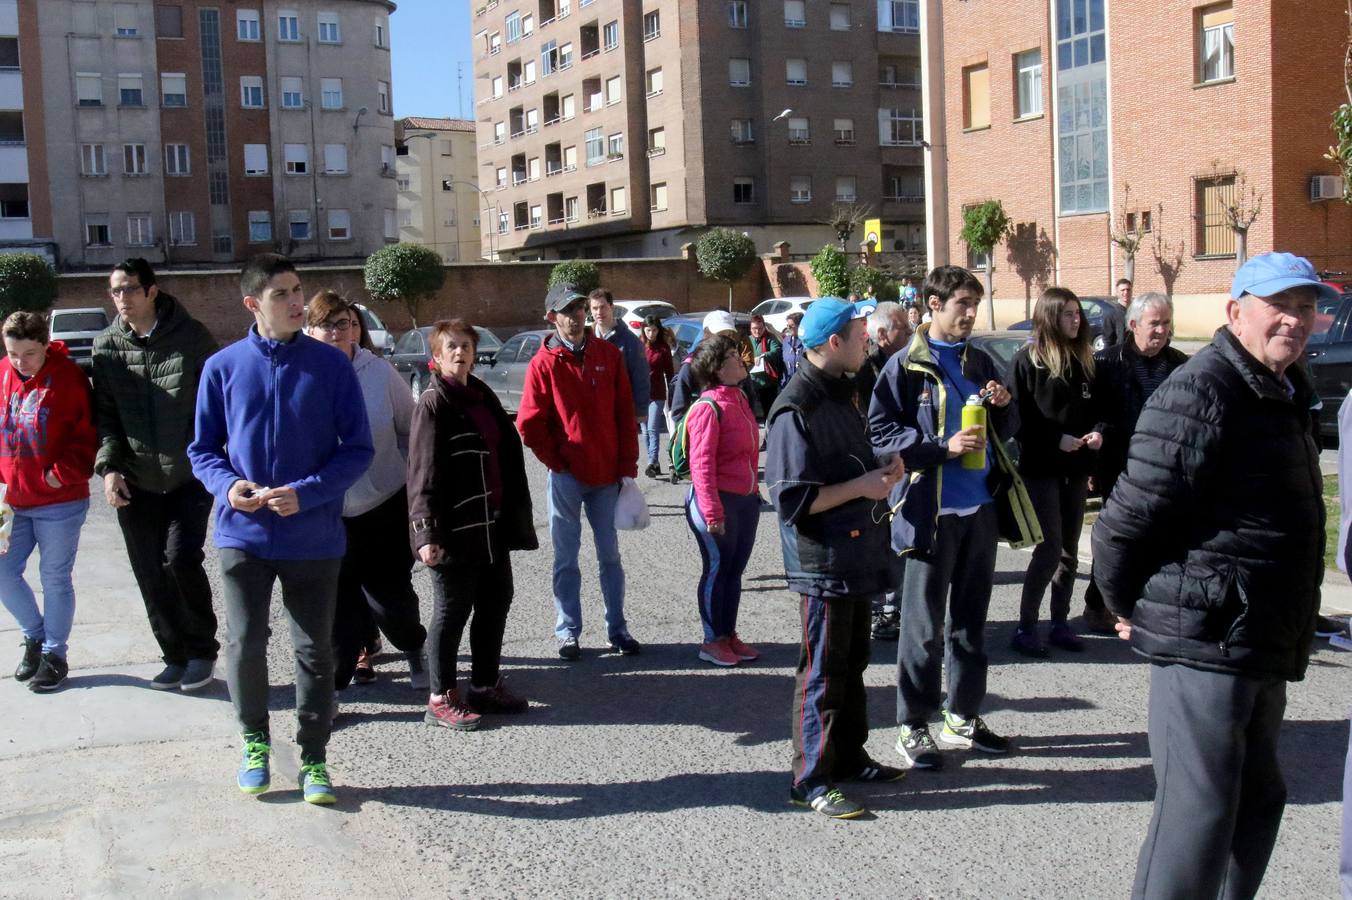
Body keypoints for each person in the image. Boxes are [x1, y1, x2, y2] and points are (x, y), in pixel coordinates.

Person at [1091, 251, 1328, 899]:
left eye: (1306, 307)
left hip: (1257, 638)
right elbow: (1126, 518)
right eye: (1280, 305)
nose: (1296, 320)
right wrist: (1122, 603)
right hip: (1203, 639)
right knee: (1196, 822)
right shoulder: (1204, 389)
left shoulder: (1280, 389)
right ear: (1235, 312)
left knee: (1258, 803)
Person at [189, 253, 373, 805]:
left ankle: (314, 757)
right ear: (253, 305)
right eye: (282, 295)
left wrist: (308, 492)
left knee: (315, 648)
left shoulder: (331, 365)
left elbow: (357, 450)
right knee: (245, 642)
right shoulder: (222, 366)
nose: (297, 302)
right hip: (242, 533)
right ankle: (254, 743)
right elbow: (201, 450)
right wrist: (228, 488)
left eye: (298, 291)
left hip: (312, 535)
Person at [870, 265, 1036, 770]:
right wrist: (942, 448)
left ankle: (962, 716)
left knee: (969, 623)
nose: (970, 313)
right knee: (922, 628)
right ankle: (912, 725)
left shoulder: (979, 358)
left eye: (974, 304)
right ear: (933, 304)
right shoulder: (904, 365)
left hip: (978, 509)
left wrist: (1004, 406)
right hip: (929, 513)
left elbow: (1007, 427)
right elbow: (880, 435)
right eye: (961, 303)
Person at [767, 296, 907, 820]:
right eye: (858, 331)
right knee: (822, 672)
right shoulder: (794, 407)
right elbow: (793, 501)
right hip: (821, 561)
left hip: (857, 552)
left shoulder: (848, 389)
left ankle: (849, 757)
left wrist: (882, 466)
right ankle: (810, 779)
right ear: (833, 343)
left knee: (853, 664)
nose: (866, 339)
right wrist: (862, 486)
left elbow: (852, 461)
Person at [93, 258, 220, 692]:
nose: (121, 298)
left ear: (151, 291)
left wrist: (212, 459)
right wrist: (109, 469)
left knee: (179, 559)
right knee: (148, 569)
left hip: (188, 475)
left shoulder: (192, 337)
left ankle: (202, 651)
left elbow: (214, 407)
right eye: (115, 291)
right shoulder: (106, 346)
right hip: (136, 479)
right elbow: (105, 416)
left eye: (129, 289)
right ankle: (174, 655)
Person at [408, 319, 538, 730]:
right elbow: (421, 473)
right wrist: (425, 532)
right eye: (451, 346)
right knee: (451, 611)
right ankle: (440, 696)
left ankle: (483, 685)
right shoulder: (434, 403)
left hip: (492, 525)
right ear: (438, 355)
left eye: (465, 345)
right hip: (455, 529)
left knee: (496, 601)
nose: (460, 352)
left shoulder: (480, 394)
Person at [303, 293, 427, 699]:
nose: (337, 332)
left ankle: (412, 646)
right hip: (326, 511)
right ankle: (333, 690)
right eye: (327, 325)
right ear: (309, 330)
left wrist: (410, 477)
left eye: (344, 323)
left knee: (390, 602)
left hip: (382, 506)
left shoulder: (379, 371)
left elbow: (411, 428)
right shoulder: (299, 372)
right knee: (337, 609)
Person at [518, 279, 641, 660]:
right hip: (567, 478)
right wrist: (557, 461)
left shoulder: (609, 354)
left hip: (606, 476)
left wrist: (627, 467)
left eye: (578, 308)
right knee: (566, 558)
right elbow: (529, 424)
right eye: (566, 310)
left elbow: (624, 414)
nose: (575, 316)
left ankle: (617, 629)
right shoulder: (542, 364)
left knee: (610, 557)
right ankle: (568, 631)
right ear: (551, 316)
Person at [1080, 292, 1187, 634]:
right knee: (1117, 538)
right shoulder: (1107, 362)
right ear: (1133, 325)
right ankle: (1098, 604)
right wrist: (1092, 468)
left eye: (1166, 323)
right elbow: (1094, 417)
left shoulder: (1180, 365)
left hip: (1166, 468)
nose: (1161, 330)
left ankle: (1147, 605)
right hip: (1119, 465)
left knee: (1161, 538)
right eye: (1154, 323)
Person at [0, 312, 96, 693]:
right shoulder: (3, 374)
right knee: (4, 572)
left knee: (54, 577)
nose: (20, 362)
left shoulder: (69, 379)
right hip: (12, 499)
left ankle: (55, 655)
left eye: (29, 354)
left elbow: (86, 435)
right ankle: (35, 637)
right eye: (12, 353)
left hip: (59, 500)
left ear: (45, 345)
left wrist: (58, 474)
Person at [1008, 288, 1102, 657]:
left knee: (1069, 553)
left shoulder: (1086, 360)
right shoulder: (1026, 361)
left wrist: (1098, 434)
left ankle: (1059, 622)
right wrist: (1055, 440)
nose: (1076, 320)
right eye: (1067, 314)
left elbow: (1098, 410)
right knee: (1048, 550)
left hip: (1076, 469)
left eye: (1077, 313)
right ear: (1049, 317)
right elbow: (1018, 419)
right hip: (1041, 467)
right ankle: (1026, 626)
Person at [683, 334, 761, 667]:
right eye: (732, 354)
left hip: (744, 501)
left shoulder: (740, 397)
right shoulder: (708, 406)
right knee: (717, 569)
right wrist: (713, 512)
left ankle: (728, 634)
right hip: (715, 502)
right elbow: (701, 466)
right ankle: (712, 640)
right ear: (716, 367)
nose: (740, 357)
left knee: (734, 571)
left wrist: (754, 494)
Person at [854, 300, 913, 642]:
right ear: (881, 334)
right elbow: (864, 419)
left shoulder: (908, 363)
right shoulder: (865, 369)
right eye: (901, 328)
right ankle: (880, 610)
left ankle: (894, 606)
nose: (908, 331)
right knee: (878, 541)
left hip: (901, 464)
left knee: (898, 539)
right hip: (873, 468)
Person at [589, 288, 650, 419]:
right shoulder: (587, 340)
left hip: (621, 413)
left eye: (602, 307)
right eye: (594, 308)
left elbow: (641, 379)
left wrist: (639, 412)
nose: (599, 312)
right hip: (594, 415)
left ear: (611, 307)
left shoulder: (630, 342)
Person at [640, 314, 674, 479]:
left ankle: (652, 462)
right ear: (643, 330)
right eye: (648, 330)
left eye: (654, 330)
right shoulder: (639, 346)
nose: (651, 334)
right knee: (645, 431)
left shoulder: (663, 348)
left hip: (658, 393)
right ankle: (655, 464)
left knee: (653, 428)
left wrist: (674, 392)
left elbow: (670, 372)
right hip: (641, 394)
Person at [747, 314, 782, 418]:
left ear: (764, 327)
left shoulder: (770, 338)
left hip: (768, 382)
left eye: (760, 328)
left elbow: (776, 351)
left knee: (769, 409)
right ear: (750, 328)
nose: (757, 331)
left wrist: (763, 356)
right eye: (754, 329)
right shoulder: (747, 340)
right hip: (752, 381)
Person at [1099, 278, 1132, 349]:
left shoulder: (1136, 311)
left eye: (1128, 289)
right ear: (1117, 292)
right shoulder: (1111, 313)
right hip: (1119, 355)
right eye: (1122, 290)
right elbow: (1107, 340)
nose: (1126, 292)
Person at [780, 312, 805, 384]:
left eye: (792, 325)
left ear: (800, 326)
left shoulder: (806, 342)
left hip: (802, 384)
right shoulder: (786, 340)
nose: (788, 328)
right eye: (788, 325)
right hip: (787, 383)